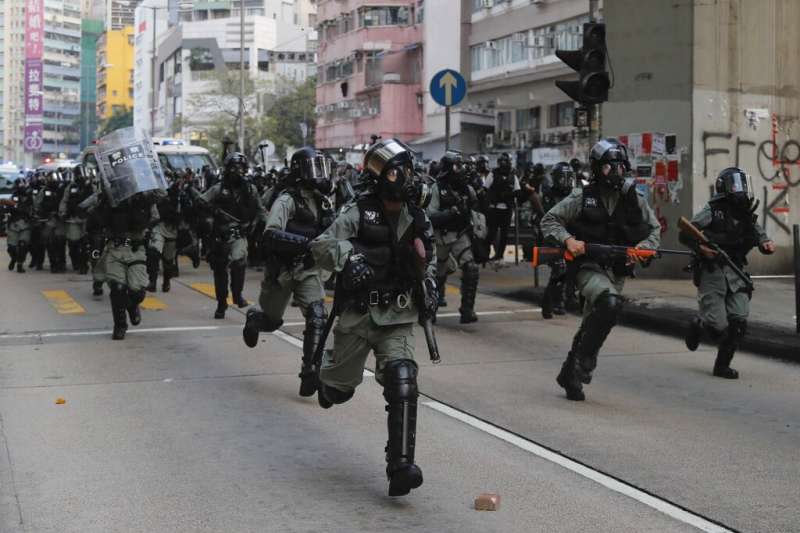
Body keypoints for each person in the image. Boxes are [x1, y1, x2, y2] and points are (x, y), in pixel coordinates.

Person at [310, 138, 438, 497]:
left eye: (409, 170)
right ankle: (329, 382)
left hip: (397, 314)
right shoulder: (358, 211)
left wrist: (428, 281)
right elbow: (321, 246)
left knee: (403, 378)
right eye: (399, 171)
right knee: (338, 391)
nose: (408, 178)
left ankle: (400, 466)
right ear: (382, 177)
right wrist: (348, 259)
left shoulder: (417, 216)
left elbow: (431, 255)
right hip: (358, 315)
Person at [540, 139, 661, 401]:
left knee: (593, 320)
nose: (615, 173)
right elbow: (549, 220)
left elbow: (654, 231)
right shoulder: (582, 196)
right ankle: (585, 362)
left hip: (617, 270)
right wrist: (568, 241)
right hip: (588, 266)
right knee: (609, 303)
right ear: (597, 169)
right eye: (608, 167)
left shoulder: (634, 199)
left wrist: (643, 248)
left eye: (620, 167)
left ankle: (568, 373)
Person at [242, 147, 335, 397]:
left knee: (317, 316)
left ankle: (310, 372)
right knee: (272, 321)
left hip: (309, 269)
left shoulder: (323, 201)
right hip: (282, 270)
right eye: (313, 169)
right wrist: (304, 242)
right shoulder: (287, 199)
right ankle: (254, 321)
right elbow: (270, 234)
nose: (319, 175)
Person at [680, 167, 774, 379]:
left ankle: (722, 366)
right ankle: (699, 325)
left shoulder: (746, 214)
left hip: (736, 271)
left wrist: (765, 243)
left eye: (742, 185)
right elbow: (686, 232)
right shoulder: (713, 210)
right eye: (735, 185)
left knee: (739, 321)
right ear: (725, 187)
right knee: (717, 328)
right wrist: (701, 248)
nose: (740, 191)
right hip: (712, 271)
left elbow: (758, 234)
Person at [199, 152, 265, 319]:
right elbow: (201, 202)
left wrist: (264, 224)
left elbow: (260, 211)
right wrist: (211, 212)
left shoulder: (250, 189)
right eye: (234, 167)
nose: (237, 171)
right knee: (220, 272)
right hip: (219, 236)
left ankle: (237, 294)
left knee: (239, 261)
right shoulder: (218, 189)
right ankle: (222, 303)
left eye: (241, 168)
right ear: (227, 169)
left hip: (239, 235)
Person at [426, 151, 481, 323]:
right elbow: (430, 215)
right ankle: (431, 309)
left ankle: (467, 310)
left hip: (460, 235)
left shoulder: (468, 189)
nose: (463, 170)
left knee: (471, 268)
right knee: (437, 274)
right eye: (459, 166)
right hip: (441, 237)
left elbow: (477, 209)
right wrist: (451, 213)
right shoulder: (437, 188)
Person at [540, 162, 577, 318]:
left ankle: (566, 298)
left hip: (572, 237)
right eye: (563, 178)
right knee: (559, 269)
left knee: (574, 269)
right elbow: (548, 220)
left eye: (569, 178)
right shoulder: (549, 195)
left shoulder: (576, 194)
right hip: (554, 238)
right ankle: (553, 303)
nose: (566, 182)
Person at [484, 153, 521, 262]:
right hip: (494, 208)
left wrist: (507, 195)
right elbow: (486, 188)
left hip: (507, 209)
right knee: (491, 233)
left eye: (507, 161)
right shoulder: (493, 174)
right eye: (504, 161)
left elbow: (517, 192)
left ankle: (499, 256)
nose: (505, 164)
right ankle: (484, 255)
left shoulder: (513, 175)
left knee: (504, 234)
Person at [59, 165, 93, 274]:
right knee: (73, 242)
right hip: (73, 219)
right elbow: (64, 201)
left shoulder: (93, 187)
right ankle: (75, 262)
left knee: (85, 244)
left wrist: (92, 212)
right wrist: (62, 213)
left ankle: (84, 265)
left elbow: (97, 200)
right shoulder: (70, 187)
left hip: (87, 219)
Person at [35, 170, 68, 273]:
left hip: (60, 219)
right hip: (49, 219)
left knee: (61, 242)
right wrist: (41, 214)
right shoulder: (44, 191)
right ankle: (53, 264)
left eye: (55, 178)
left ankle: (62, 264)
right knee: (50, 243)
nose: (53, 180)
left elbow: (67, 202)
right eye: (51, 178)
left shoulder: (63, 190)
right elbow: (37, 204)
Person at [3, 178, 33, 273]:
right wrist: (7, 207)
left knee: (23, 245)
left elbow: (31, 209)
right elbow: (7, 208)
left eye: (22, 185)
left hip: (25, 224)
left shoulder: (29, 197)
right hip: (14, 224)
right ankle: (14, 259)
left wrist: (18, 207)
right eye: (19, 185)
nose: (21, 187)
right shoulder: (13, 196)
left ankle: (20, 264)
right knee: (11, 247)